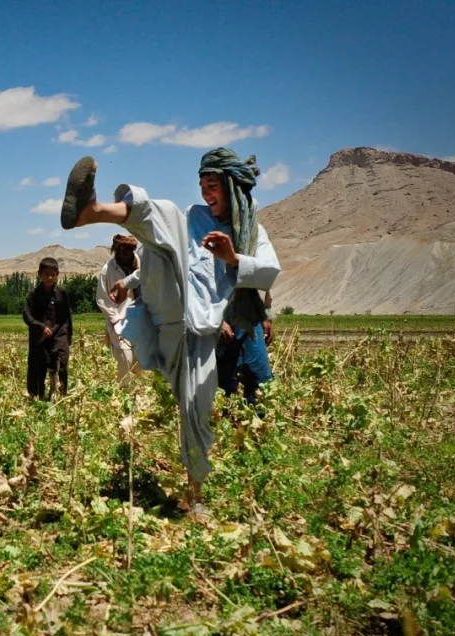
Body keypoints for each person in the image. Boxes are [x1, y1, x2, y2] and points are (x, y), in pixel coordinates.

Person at [59, 148, 280, 515]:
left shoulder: (253, 232)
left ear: (231, 186)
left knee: (196, 408)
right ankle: (91, 211)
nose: (206, 194)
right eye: (203, 185)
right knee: (163, 214)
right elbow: (162, 252)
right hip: (172, 315)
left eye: (213, 186)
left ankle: (195, 496)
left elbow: (269, 272)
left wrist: (230, 257)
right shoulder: (194, 218)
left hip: (202, 329)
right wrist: (129, 283)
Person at [96, 232, 143, 385]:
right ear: (115, 249)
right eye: (124, 250)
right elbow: (102, 299)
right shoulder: (107, 270)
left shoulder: (139, 263)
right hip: (120, 321)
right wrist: (116, 321)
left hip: (141, 320)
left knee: (140, 364)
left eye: (130, 250)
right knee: (125, 359)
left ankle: (138, 395)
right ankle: (124, 394)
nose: (128, 254)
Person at [23, 257, 73, 400]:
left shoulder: (62, 294)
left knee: (62, 361)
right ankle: (36, 395)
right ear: (39, 274)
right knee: (37, 365)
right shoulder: (33, 295)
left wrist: (68, 336)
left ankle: (61, 393)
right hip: (39, 336)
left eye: (53, 274)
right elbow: (27, 315)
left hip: (59, 333)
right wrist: (40, 326)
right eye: (46, 274)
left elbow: (67, 316)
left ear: (57, 274)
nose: (49, 277)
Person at [216, 289, 273, 410]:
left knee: (261, 382)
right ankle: (223, 424)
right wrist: (217, 320)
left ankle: (258, 424)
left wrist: (265, 315)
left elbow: (253, 281)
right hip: (221, 316)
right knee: (223, 386)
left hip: (251, 316)